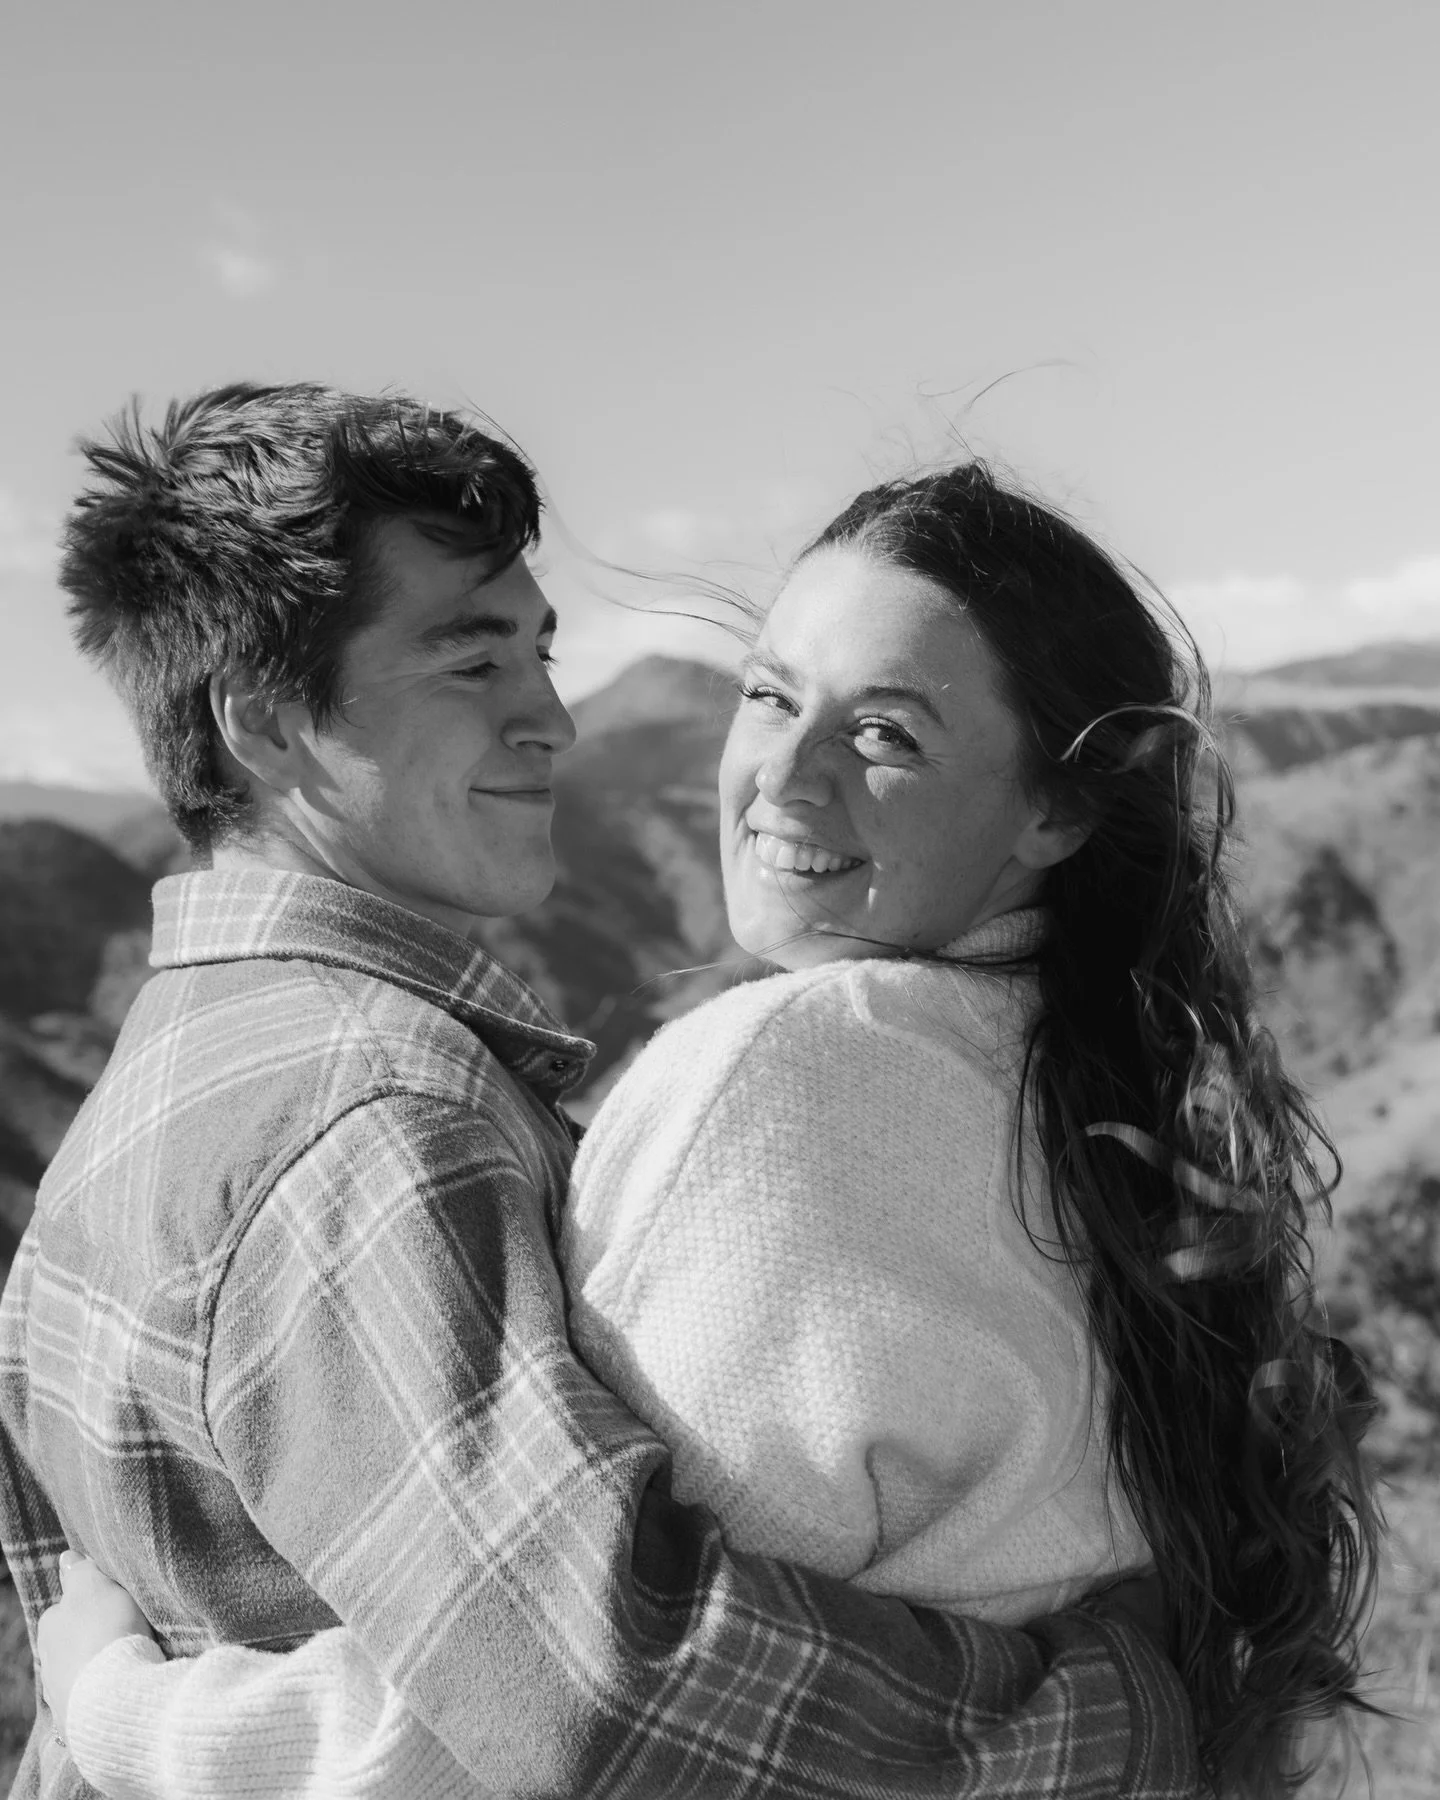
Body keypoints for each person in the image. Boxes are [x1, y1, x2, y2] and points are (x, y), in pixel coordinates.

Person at [34, 454, 1381, 1799]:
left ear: (1060, 804)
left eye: (889, 732)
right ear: (263, 725)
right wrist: (1146, 1724)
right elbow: (595, 1694)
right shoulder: (1064, 1073)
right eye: (770, 695)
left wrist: (118, 1716)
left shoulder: (800, 1076)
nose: (783, 777)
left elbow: (581, 1706)